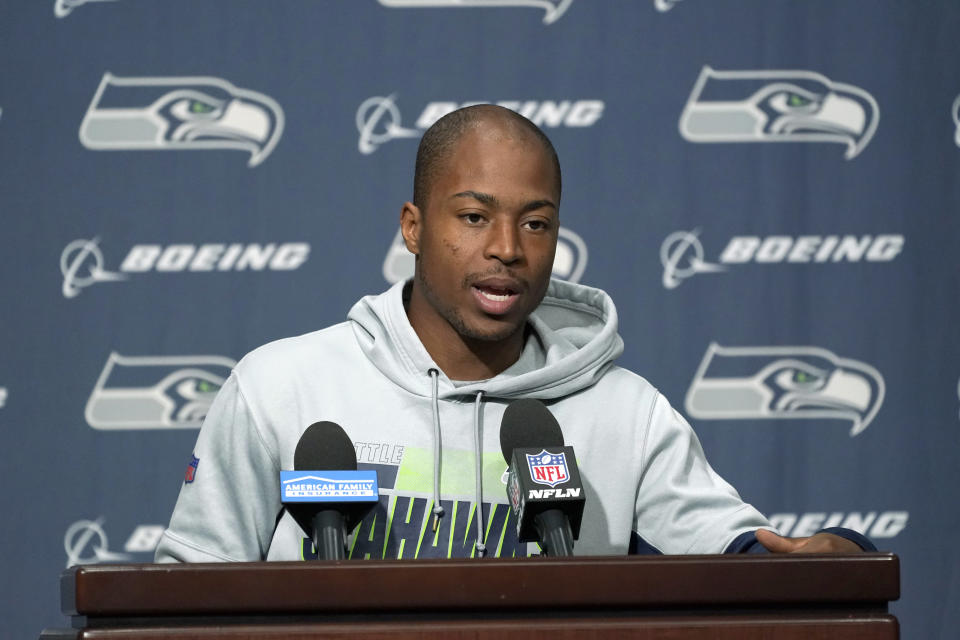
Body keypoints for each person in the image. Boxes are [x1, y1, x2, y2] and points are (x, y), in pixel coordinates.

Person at [155, 105, 872, 562]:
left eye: (536, 223)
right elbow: (184, 597)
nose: (507, 247)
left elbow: (746, 558)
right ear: (413, 227)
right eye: (473, 217)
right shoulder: (283, 388)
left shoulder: (625, 414)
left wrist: (828, 558)